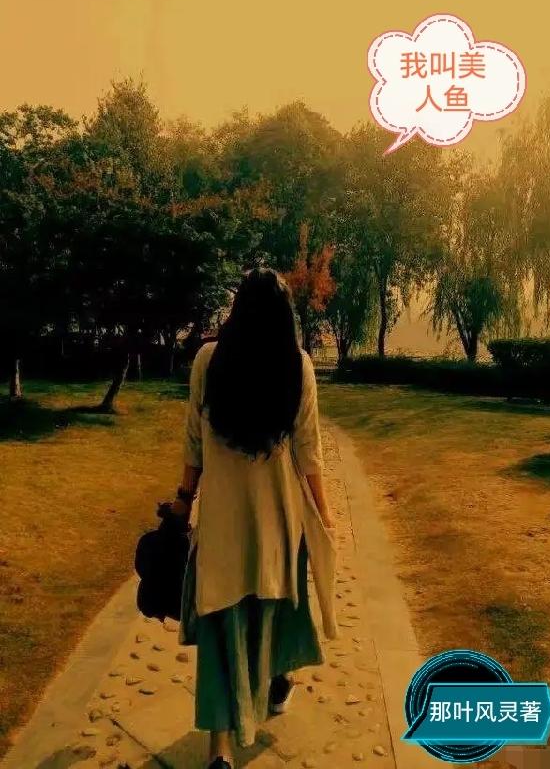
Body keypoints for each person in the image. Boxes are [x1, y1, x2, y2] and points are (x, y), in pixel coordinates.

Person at [173, 268, 338, 769]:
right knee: (273, 614)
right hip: (277, 525)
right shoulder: (298, 366)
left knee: (222, 633)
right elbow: (309, 452)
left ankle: (220, 750)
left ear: (237, 311)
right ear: (285, 317)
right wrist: (326, 517)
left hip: (222, 526)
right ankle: (277, 682)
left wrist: (183, 500)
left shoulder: (208, 360)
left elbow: (194, 443)